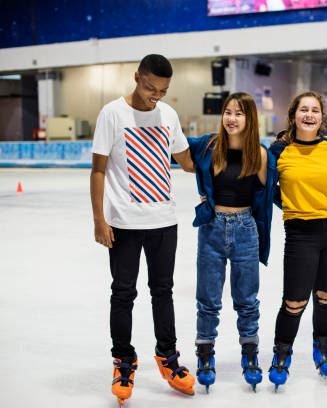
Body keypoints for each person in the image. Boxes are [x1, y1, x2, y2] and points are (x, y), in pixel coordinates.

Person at [90, 54, 196, 405]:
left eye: (163, 90)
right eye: (150, 87)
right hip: (123, 224)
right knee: (123, 293)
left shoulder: (168, 115)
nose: (156, 96)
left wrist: (232, 154)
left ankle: (168, 357)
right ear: (137, 78)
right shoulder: (112, 114)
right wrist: (99, 220)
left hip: (164, 222)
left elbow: (187, 161)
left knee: (162, 291)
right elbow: (98, 170)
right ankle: (123, 360)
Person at [186, 92, 275, 392]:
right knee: (208, 300)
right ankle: (205, 354)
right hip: (211, 228)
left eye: (239, 113)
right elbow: (176, 145)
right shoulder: (210, 146)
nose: (232, 118)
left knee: (247, 300)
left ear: (250, 118)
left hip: (245, 230)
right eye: (227, 112)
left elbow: (271, 198)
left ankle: (250, 355)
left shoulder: (260, 155)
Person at [267, 92, 327, 389]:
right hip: (301, 233)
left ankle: (322, 351)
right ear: (293, 115)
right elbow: (264, 189)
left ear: (322, 118)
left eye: (315, 110)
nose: (309, 114)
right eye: (304, 109)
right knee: (294, 301)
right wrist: (290, 204)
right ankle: (282, 353)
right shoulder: (279, 151)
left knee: (326, 297)